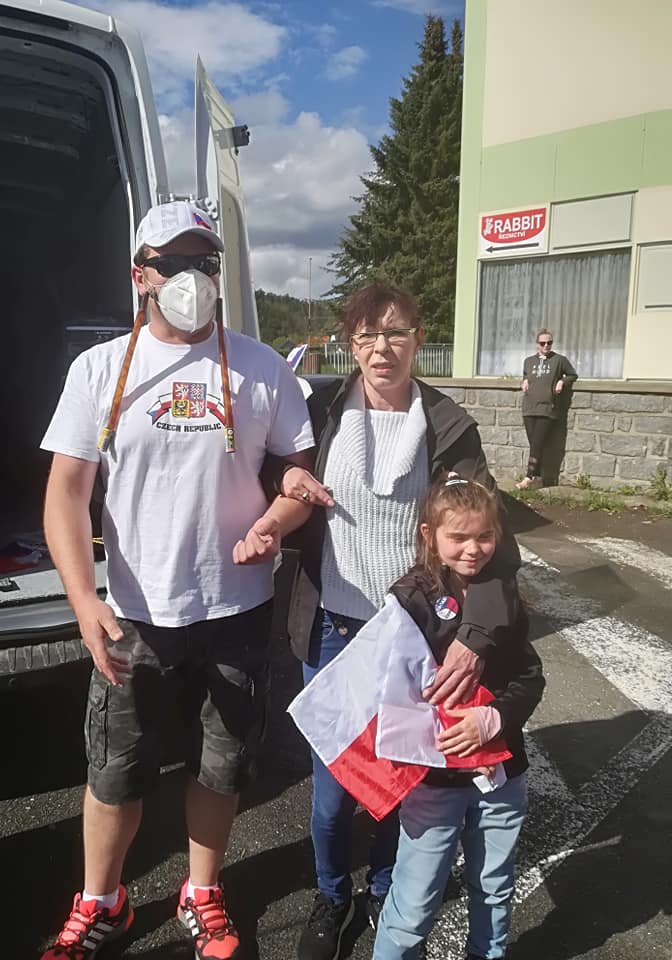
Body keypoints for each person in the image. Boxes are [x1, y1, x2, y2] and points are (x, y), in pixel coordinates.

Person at [39, 200, 314, 960]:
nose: (193, 277)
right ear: (141, 276)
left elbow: (297, 476)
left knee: (220, 767)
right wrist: (82, 600)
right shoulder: (98, 370)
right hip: (133, 613)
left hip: (237, 611)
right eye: (174, 263)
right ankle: (102, 901)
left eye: (205, 262)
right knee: (114, 772)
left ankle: (202, 891)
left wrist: (278, 521)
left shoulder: (261, 366)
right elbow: (65, 494)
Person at [263, 283, 521, 960]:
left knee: (401, 778)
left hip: (414, 636)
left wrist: (476, 636)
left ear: (417, 338)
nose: (383, 347)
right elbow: (274, 470)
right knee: (331, 795)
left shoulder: (448, 425)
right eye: (368, 334)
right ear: (350, 343)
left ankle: (382, 886)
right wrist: (283, 484)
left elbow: (492, 542)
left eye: (397, 332)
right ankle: (331, 894)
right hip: (332, 629)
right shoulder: (320, 410)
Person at [373, 477, 545, 960]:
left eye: (484, 536)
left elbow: (530, 677)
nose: (473, 549)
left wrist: (496, 718)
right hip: (434, 780)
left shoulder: (503, 594)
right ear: (429, 535)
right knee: (413, 903)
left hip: (500, 773)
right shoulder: (409, 599)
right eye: (459, 537)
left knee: (494, 887)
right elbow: (389, 691)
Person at [517, 329, 577, 490]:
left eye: (549, 343)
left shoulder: (559, 360)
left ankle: (528, 477)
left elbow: (572, 375)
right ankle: (538, 479)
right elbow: (526, 376)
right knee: (535, 445)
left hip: (547, 409)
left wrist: (562, 382)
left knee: (536, 444)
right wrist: (524, 381)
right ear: (537, 344)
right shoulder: (528, 361)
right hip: (529, 408)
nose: (546, 346)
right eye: (542, 343)